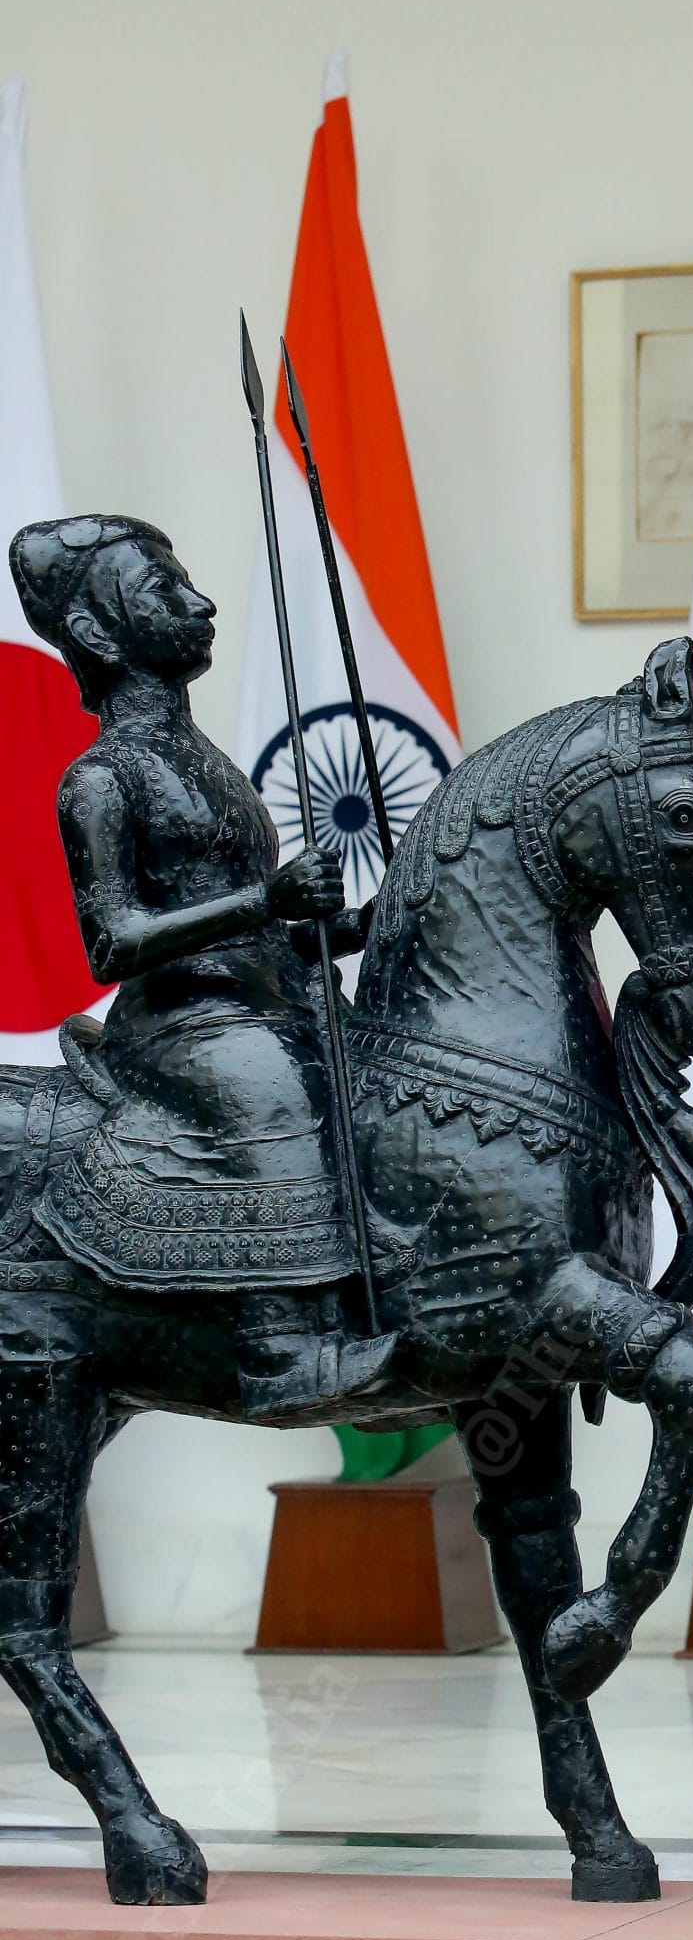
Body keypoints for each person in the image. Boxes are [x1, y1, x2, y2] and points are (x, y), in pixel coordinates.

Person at [9, 513, 397, 1420]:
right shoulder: (100, 779)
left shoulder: (208, 764)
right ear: (98, 634)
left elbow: (267, 940)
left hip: (261, 1005)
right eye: (163, 591)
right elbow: (111, 941)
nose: (201, 602)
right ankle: (280, 1346)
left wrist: (354, 927)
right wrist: (265, 901)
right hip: (186, 1030)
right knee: (274, 1080)